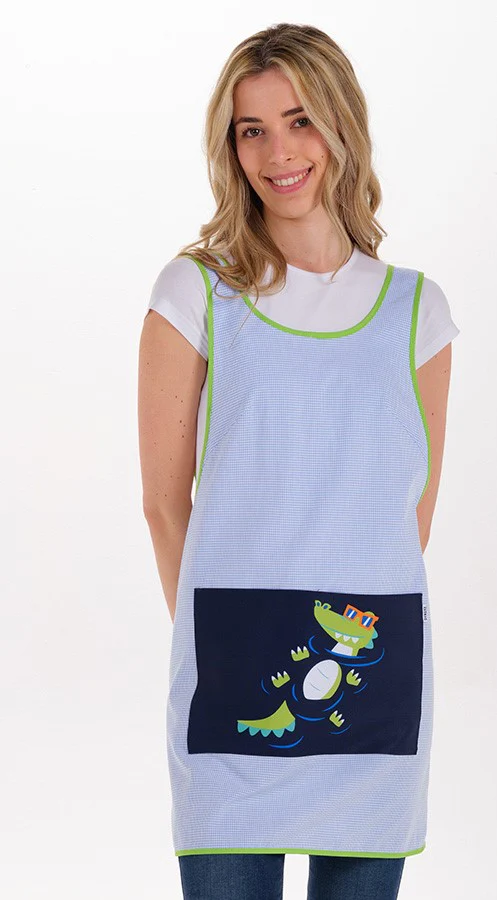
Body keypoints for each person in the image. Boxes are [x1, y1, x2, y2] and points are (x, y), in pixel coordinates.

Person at [138, 22, 460, 900]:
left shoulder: (416, 312)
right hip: (232, 677)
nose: (277, 153)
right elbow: (164, 503)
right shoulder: (195, 291)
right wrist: (217, 648)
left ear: (341, 125)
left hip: (371, 682)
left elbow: (408, 517)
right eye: (251, 129)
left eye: (299, 121)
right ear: (230, 146)